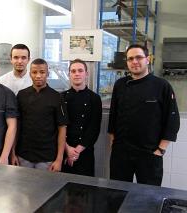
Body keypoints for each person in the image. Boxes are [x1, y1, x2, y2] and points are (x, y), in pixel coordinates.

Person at [108, 44, 180, 186]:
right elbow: (113, 116)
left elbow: (172, 120)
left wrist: (160, 150)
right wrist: (113, 144)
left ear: (147, 60)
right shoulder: (120, 85)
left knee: (149, 198)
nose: (135, 61)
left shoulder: (161, 86)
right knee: (116, 195)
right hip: (121, 153)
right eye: (130, 59)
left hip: (149, 154)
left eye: (139, 57)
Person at [12, 58, 68, 172]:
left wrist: (59, 159)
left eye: (42, 72)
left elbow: (62, 128)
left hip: (47, 157)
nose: (38, 76)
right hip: (23, 155)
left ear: (47, 73)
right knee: (23, 188)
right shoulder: (21, 95)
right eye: (34, 72)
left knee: (46, 189)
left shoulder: (56, 97)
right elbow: (16, 126)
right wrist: (12, 153)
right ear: (30, 74)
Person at [61, 59, 102, 176]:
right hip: (64, 149)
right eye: (73, 71)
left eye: (80, 70)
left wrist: (77, 151)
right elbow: (59, 127)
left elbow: (94, 128)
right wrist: (68, 149)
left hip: (85, 151)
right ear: (69, 74)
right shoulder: (61, 98)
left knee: (85, 190)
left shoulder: (94, 98)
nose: (77, 74)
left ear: (86, 74)